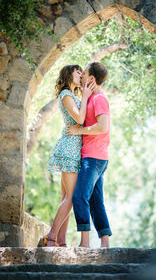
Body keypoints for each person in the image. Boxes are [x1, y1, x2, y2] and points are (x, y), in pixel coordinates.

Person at [42, 64, 95, 247]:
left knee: (66, 198)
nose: (81, 75)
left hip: (74, 148)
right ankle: (51, 237)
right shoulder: (66, 95)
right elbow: (79, 120)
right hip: (69, 149)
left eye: (82, 72)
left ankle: (61, 242)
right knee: (71, 198)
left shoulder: (74, 96)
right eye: (77, 72)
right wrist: (86, 96)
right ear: (68, 75)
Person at [67, 62, 112, 248]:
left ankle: (84, 244)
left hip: (94, 158)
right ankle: (105, 243)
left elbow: (103, 127)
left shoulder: (99, 99)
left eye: (84, 74)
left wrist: (79, 131)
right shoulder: (92, 99)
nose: (82, 77)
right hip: (96, 157)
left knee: (79, 197)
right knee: (96, 201)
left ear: (92, 79)